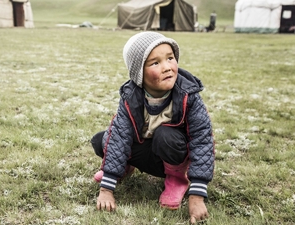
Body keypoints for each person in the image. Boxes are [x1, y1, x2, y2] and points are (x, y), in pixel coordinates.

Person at [91, 31, 215, 224]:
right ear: (139, 73)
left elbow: (202, 140)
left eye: (170, 58)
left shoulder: (188, 95)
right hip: (146, 150)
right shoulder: (131, 96)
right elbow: (119, 137)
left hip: (173, 155)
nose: (167, 67)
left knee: (166, 135)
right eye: (155, 63)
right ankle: (124, 168)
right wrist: (107, 189)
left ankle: (176, 180)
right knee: (104, 138)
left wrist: (197, 196)